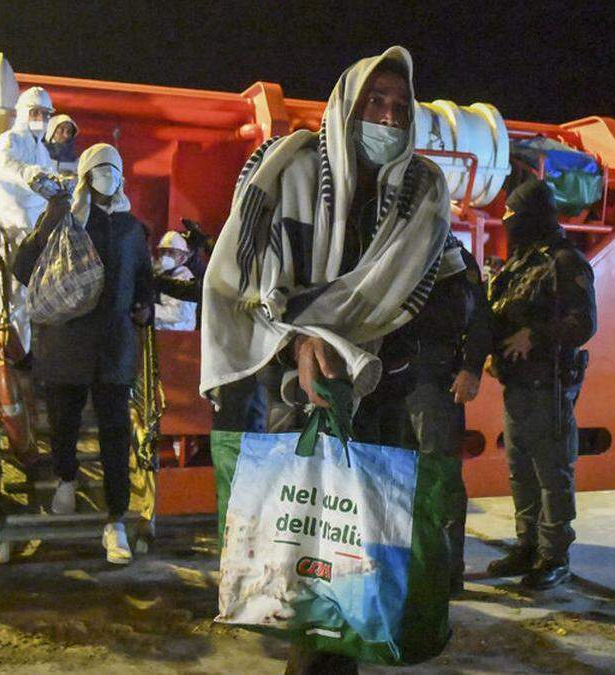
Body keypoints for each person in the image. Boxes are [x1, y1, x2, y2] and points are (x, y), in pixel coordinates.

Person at [202, 46, 454, 675]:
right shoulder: (283, 170)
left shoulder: (423, 194)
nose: (388, 119)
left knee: (361, 563)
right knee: (311, 564)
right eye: (377, 102)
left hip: (384, 397)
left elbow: (446, 288)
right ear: (348, 104)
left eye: (400, 108)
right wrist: (300, 342)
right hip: (303, 395)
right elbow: (245, 288)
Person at [13, 143, 154, 566]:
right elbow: (23, 268)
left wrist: (145, 307)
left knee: (116, 434)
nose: (108, 176)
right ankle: (66, 479)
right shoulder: (63, 217)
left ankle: (115, 520)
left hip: (113, 347)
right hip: (65, 343)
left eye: (115, 169)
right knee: (63, 420)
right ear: (87, 175)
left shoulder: (132, 229)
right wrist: (50, 221)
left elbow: (143, 280)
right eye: (100, 169)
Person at [485, 178, 597, 590]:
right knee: (521, 470)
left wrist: (535, 336)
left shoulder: (565, 261)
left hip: (549, 386)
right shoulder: (522, 262)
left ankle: (554, 555)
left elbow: (584, 322)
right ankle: (527, 545)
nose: (508, 222)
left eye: (514, 215)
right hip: (518, 385)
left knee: (552, 473)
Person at [404, 236, 492, 595]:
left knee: (439, 478)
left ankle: (445, 572)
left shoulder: (451, 254)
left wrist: (472, 367)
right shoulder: (393, 240)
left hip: (434, 382)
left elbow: (481, 318)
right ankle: (407, 564)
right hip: (389, 381)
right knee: (396, 478)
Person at [0, 86, 61, 352]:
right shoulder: (8, 141)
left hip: (36, 234)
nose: (41, 119)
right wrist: (28, 174)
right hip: (13, 230)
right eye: (35, 112)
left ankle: (25, 355)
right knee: (12, 295)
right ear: (23, 113)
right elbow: (3, 166)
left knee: (31, 296)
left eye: (45, 114)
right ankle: (10, 352)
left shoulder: (43, 151)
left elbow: (47, 181)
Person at [153, 230, 199, 331]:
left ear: (182, 258)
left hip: (178, 336)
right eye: (163, 251)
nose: (165, 256)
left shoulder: (185, 279)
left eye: (171, 252)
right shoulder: (161, 274)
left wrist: (150, 309)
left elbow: (177, 313)